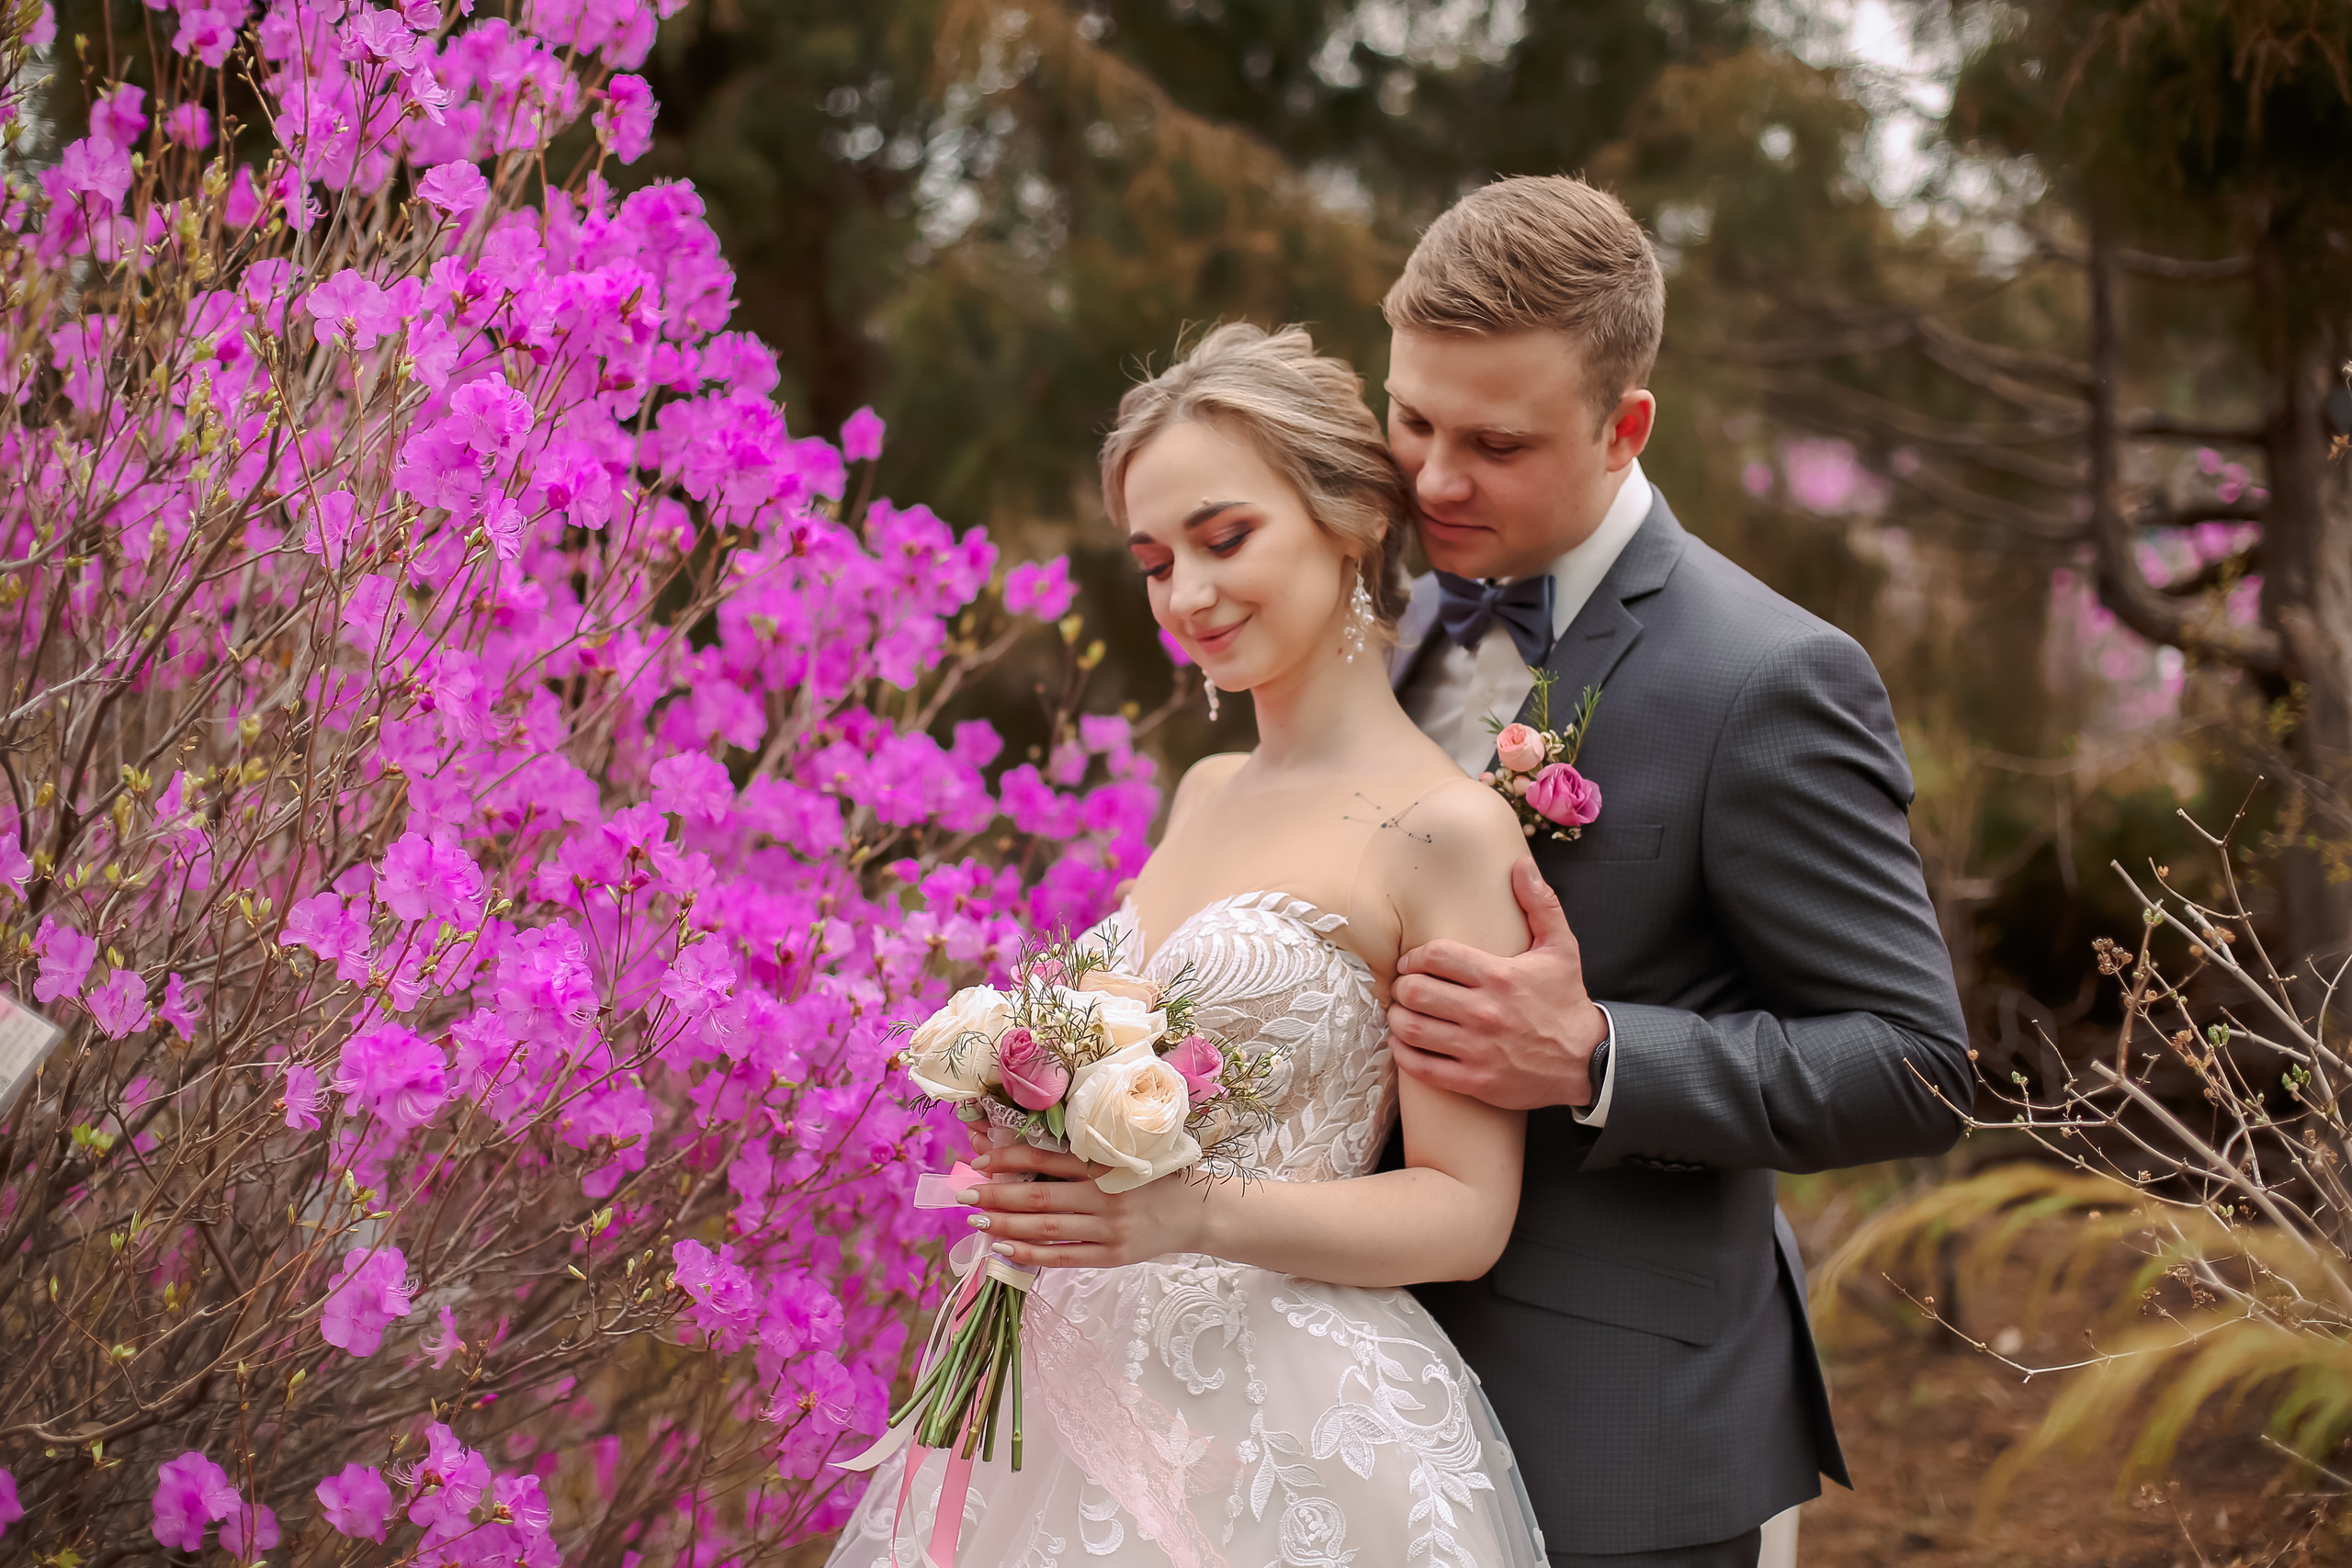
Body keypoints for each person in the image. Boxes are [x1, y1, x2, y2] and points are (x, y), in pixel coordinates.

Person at [828, 323, 1555, 1568]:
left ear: (1347, 520)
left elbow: (1465, 1210)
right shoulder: (1206, 791)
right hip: (1061, 1383)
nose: (1189, 596)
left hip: (1285, 1423)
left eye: (1226, 540)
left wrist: (1196, 1215)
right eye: (1158, 562)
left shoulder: (1445, 829)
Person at [1380, 175, 1973, 1567]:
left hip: (1621, 1434)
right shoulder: (1414, 615)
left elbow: (1919, 1064)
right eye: (1410, 418)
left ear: (1625, 425)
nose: (1433, 479)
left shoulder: (1770, 680)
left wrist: (1597, 1056)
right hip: (1370, 1398)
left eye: (1496, 441)